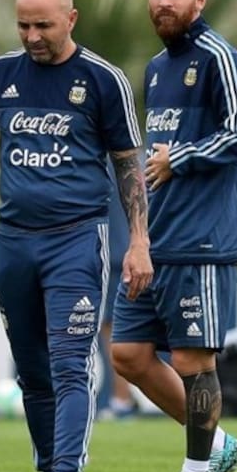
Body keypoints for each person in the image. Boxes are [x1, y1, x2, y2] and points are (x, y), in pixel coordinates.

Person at [0, 0, 153, 472]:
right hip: (13, 244)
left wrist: (139, 241)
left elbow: (129, 167)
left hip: (76, 242)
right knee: (33, 373)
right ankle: (51, 471)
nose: (32, 36)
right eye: (23, 25)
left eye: (43, 25)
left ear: (71, 19)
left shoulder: (102, 79)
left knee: (71, 367)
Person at [111, 0, 237, 472]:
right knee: (128, 354)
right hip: (157, 242)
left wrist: (181, 156)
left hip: (201, 242)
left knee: (195, 363)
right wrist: (139, 237)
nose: (163, 2)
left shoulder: (220, 56)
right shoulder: (156, 69)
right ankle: (218, 445)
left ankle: (198, 471)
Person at [98, 168, 137, 420]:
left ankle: (122, 399)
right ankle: (123, 398)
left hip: (113, 255)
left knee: (112, 328)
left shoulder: (108, 161)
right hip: (119, 252)